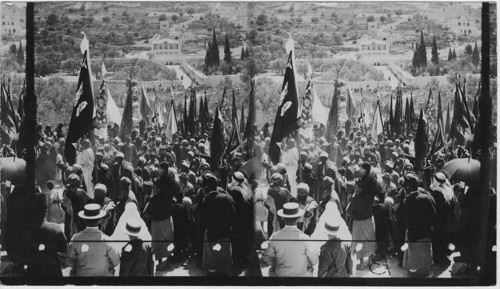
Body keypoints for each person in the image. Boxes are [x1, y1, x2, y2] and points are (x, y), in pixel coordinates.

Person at [262, 202, 319, 277]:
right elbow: (315, 260)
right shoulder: (305, 238)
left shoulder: (275, 236)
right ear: (298, 218)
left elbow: (267, 257)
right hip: (301, 276)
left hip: (281, 275)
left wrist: (275, 265)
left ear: (283, 217)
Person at [66, 203, 120, 276]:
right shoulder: (107, 240)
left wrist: (77, 266)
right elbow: (116, 261)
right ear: (100, 220)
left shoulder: (76, 238)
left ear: (84, 219)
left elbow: (68, 259)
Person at [198, 171, 236, 275]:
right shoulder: (226, 197)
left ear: (208, 187)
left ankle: (214, 272)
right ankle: (226, 271)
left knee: (214, 252)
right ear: (217, 185)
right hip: (225, 231)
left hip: (212, 232)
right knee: (225, 251)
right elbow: (233, 214)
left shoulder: (206, 200)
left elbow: (203, 218)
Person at [26, 193, 68, 279]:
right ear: (45, 210)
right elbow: (64, 250)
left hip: (34, 272)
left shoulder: (27, 231)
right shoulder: (56, 228)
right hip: (53, 271)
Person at [402, 173, 437, 277]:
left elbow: (406, 219)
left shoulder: (407, 200)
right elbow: (434, 213)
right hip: (425, 231)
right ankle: (426, 271)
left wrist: (409, 229)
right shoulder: (426, 198)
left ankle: (413, 272)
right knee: (426, 252)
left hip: (414, 232)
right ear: (418, 185)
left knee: (414, 253)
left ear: (409, 186)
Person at [346, 162, 378, 270]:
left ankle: (361, 263)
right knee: (368, 240)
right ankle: (369, 260)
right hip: (369, 220)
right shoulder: (370, 197)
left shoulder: (357, 198)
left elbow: (348, 212)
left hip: (359, 223)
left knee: (359, 242)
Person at [227, 172, 254, 270]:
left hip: (238, 221)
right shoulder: (246, 189)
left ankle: (238, 261)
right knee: (244, 240)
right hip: (246, 221)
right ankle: (243, 258)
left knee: (237, 241)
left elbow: (234, 208)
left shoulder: (235, 190)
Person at [429, 172, 457, 266]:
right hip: (448, 221)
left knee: (437, 240)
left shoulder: (436, 191)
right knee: (445, 240)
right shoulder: (449, 190)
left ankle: (437, 259)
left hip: (439, 221)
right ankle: (444, 257)